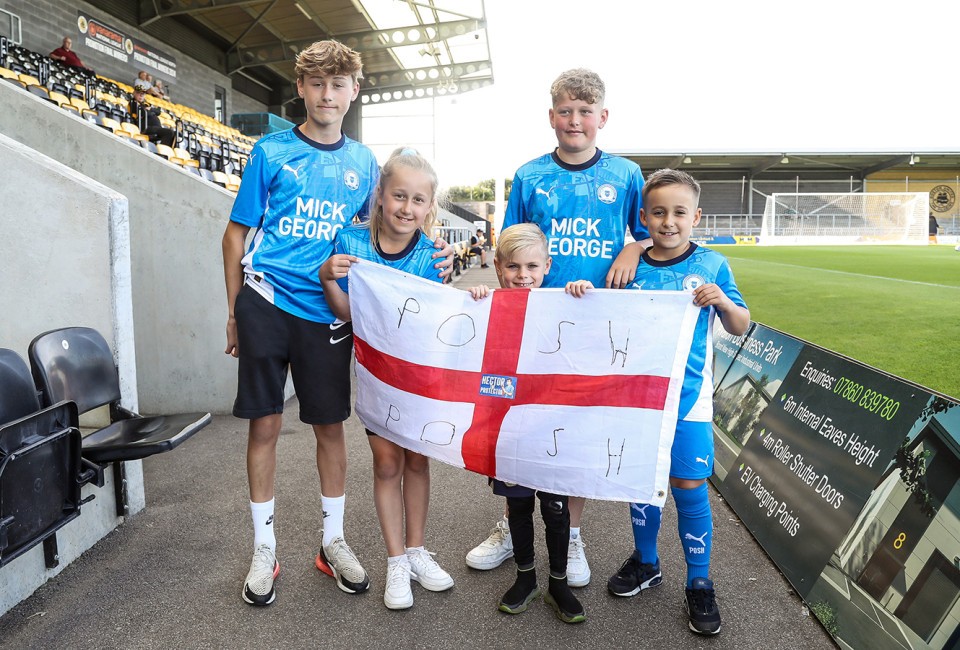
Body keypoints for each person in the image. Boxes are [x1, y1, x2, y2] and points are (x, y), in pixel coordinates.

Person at [222, 39, 453, 608]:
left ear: (355, 90)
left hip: (327, 312)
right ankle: (263, 550)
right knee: (265, 426)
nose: (327, 95)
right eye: (317, 84)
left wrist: (438, 251)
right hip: (265, 300)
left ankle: (332, 541)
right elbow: (234, 235)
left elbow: (387, 233)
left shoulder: (365, 165)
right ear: (301, 89)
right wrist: (232, 311)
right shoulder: (270, 152)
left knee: (330, 427)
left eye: (338, 84)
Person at [466, 67, 649, 588]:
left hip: (594, 322)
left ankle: (569, 534)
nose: (575, 121)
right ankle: (512, 526)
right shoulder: (529, 176)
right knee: (523, 421)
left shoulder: (626, 174)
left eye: (585, 112)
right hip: (536, 323)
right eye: (565, 111)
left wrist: (633, 246)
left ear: (602, 117)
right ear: (552, 117)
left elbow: (644, 236)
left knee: (576, 431)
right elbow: (509, 246)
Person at [606, 168, 750, 636]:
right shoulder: (629, 263)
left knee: (689, 487)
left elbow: (741, 324)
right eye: (659, 212)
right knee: (644, 482)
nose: (669, 222)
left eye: (679, 213)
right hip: (639, 400)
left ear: (696, 217)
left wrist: (724, 304)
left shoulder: (711, 265)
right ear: (643, 216)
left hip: (689, 402)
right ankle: (647, 562)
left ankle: (699, 581)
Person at [319, 147, 455, 610]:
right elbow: (348, 315)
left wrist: (460, 282)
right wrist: (328, 279)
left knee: (418, 463)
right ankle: (395, 560)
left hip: (420, 378)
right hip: (378, 378)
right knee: (386, 465)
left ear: (429, 207)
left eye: (419, 200)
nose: (407, 208)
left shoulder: (433, 255)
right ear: (380, 195)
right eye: (399, 195)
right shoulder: (349, 242)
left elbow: (444, 320)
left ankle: (417, 551)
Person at [468, 223, 592, 624]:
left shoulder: (562, 301)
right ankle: (526, 579)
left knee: (555, 509)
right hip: (510, 428)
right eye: (514, 267)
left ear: (547, 266)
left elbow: (586, 340)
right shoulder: (492, 304)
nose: (523, 275)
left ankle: (558, 582)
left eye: (532, 266)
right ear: (498, 266)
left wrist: (581, 297)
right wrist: (476, 300)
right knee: (518, 505)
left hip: (552, 426)